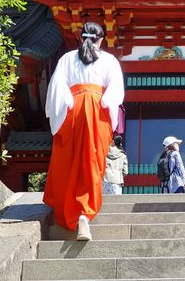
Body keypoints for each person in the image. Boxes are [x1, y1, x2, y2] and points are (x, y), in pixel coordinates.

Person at [43, 22, 124, 241]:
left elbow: (57, 92)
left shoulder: (66, 59)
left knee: (69, 162)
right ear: (101, 39)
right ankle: (83, 215)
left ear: (80, 38)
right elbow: (114, 95)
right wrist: (108, 111)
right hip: (98, 111)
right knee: (92, 162)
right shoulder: (109, 61)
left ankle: (70, 211)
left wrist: (62, 113)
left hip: (71, 109)